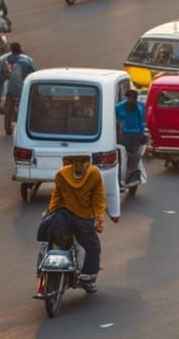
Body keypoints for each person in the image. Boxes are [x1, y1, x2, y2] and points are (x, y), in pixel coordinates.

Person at [39, 154, 106, 292]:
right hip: (67, 215)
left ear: (87, 163)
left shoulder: (93, 175)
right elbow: (56, 196)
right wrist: (51, 212)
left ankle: (86, 277)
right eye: (76, 162)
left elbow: (99, 198)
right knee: (91, 247)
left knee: (93, 247)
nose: (79, 165)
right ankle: (87, 278)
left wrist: (99, 218)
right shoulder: (62, 175)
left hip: (82, 217)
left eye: (82, 162)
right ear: (71, 162)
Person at [115, 88, 146, 182]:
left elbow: (142, 121)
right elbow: (118, 118)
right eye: (130, 98)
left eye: (133, 98)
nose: (131, 100)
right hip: (124, 134)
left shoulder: (140, 106)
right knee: (123, 154)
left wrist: (142, 133)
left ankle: (132, 171)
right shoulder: (119, 106)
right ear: (127, 97)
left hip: (136, 135)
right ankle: (125, 172)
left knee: (134, 155)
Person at [0, 41, 36, 105]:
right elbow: (34, 73)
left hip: (13, 89)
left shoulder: (3, 59)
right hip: (24, 87)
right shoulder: (28, 59)